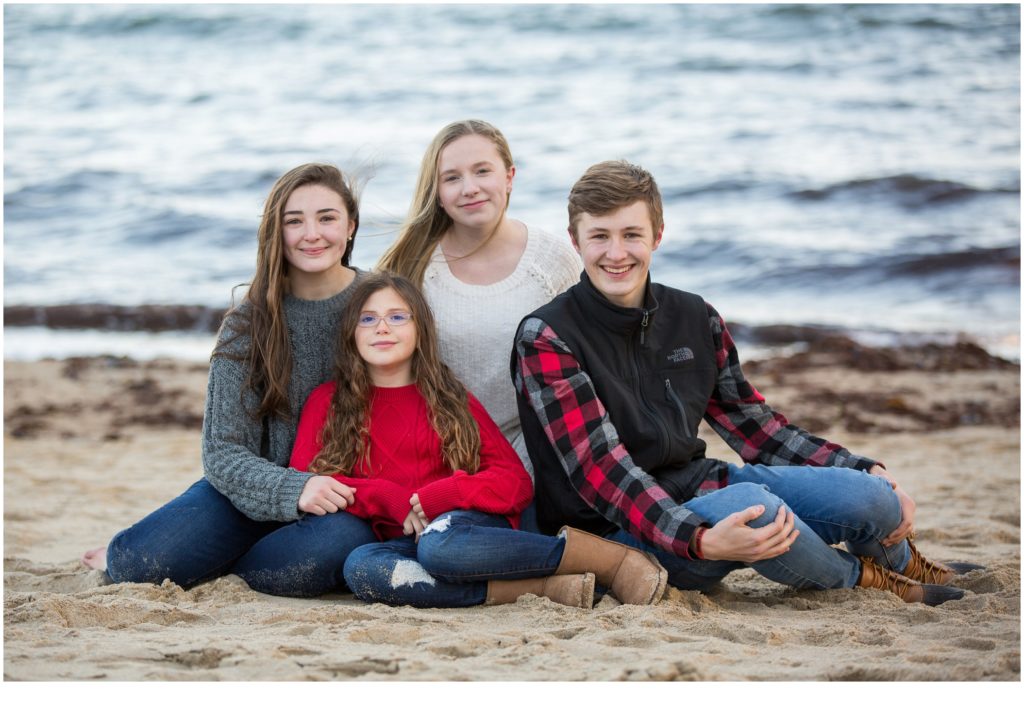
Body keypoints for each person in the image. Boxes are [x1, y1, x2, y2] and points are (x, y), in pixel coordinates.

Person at [512, 160, 981, 606]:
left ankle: (904, 562)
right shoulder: (548, 336)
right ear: (575, 241)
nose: (616, 253)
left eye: (631, 234)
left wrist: (862, 467)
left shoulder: (695, 316)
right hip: (616, 529)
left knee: (875, 497)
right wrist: (698, 539)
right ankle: (864, 579)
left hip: (700, 485)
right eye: (600, 237)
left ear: (657, 235)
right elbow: (602, 473)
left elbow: (757, 429)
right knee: (757, 507)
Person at [81, 163, 379, 597]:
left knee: (341, 545)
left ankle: (238, 564)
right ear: (276, 233)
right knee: (138, 563)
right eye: (293, 221)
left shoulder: (381, 305)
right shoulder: (248, 323)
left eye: (327, 218)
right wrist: (294, 487)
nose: (312, 233)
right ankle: (208, 550)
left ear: (350, 226)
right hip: (249, 492)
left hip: (341, 501)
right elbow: (221, 453)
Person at [289, 271, 668, 609]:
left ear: (420, 329)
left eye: (397, 317)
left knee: (438, 544)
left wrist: (445, 495)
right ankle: (540, 588)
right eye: (367, 319)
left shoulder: (449, 398)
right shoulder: (328, 401)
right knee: (361, 569)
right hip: (397, 543)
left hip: (464, 532)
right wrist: (385, 497)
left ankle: (608, 561)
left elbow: (515, 483)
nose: (381, 328)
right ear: (350, 333)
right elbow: (303, 479)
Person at [377, 120, 581, 481]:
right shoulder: (413, 268)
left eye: (482, 171)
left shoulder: (552, 258)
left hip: (538, 450)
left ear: (509, 177)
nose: (469, 188)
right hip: (443, 454)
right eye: (452, 178)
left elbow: (587, 357)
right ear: (436, 192)